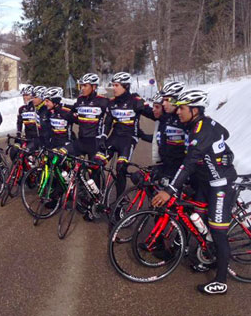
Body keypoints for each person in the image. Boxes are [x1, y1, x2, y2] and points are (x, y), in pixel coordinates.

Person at [152, 89, 237, 295]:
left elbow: (189, 162)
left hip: (220, 185)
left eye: (182, 108)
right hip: (204, 182)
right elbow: (225, 133)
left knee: (217, 231)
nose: (178, 112)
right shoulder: (197, 125)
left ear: (195, 110)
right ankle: (208, 257)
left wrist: (170, 190)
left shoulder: (202, 129)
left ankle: (221, 281)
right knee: (196, 216)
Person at [96, 72, 145, 198]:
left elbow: (153, 114)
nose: (114, 88)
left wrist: (144, 104)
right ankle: (95, 197)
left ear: (126, 86)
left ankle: (120, 201)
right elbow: (107, 123)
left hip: (128, 139)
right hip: (114, 137)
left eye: (116, 85)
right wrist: (103, 137)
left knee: (120, 168)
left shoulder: (135, 101)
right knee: (95, 164)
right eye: (113, 85)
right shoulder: (112, 102)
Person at [59, 73, 109, 159]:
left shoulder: (102, 101)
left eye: (85, 86)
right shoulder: (80, 99)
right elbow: (71, 113)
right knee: (60, 153)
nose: (82, 88)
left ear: (94, 87)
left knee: (92, 170)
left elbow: (111, 117)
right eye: (81, 86)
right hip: (81, 140)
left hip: (95, 142)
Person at [10, 84, 39, 161]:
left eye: (27, 95)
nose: (24, 97)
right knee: (13, 151)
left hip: (36, 138)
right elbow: (19, 123)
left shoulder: (37, 108)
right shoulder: (22, 109)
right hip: (27, 137)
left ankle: (31, 170)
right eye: (23, 95)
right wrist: (18, 134)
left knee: (26, 152)